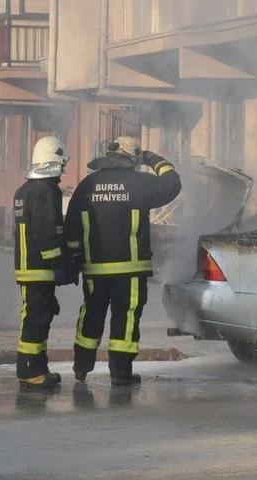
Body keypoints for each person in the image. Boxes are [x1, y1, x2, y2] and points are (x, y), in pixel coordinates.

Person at [65, 136, 181, 385]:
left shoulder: (88, 185)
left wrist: (73, 260)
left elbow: (71, 226)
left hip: (95, 270)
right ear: (133, 158)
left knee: (91, 313)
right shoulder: (139, 183)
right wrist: (153, 159)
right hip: (130, 270)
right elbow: (172, 184)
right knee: (126, 318)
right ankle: (120, 372)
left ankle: (81, 366)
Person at [13, 136, 76, 391]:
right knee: (36, 319)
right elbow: (47, 233)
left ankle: (38, 368)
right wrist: (59, 264)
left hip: (31, 269)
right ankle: (30, 370)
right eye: (62, 164)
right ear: (53, 162)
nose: (63, 170)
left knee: (40, 316)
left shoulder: (25, 190)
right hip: (39, 269)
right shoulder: (44, 191)